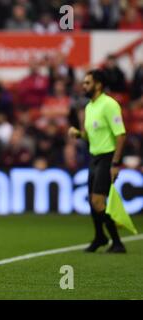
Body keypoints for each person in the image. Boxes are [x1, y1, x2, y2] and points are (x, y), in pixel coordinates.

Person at [68, 69, 127, 253]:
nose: (83, 86)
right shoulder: (89, 106)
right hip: (94, 157)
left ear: (98, 84)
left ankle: (117, 242)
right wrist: (78, 134)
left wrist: (116, 164)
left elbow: (121, 135)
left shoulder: (109, 105)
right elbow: (90, 136)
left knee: (98, 201)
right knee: (93, 202)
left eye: (87, 83)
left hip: (107, 157)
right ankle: (100, 237)